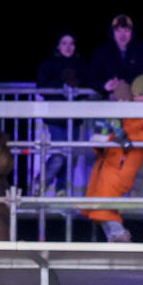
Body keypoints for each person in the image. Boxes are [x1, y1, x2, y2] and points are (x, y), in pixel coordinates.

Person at [81, 73, 143, 243]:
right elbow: (114, 133)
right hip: (108, 162)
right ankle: (114, 238)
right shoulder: (126, 112)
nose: (137, 99)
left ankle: (120, 235)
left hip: (122, 165)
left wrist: (125, 139)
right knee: (98, 202)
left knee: (103, 201)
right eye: (135, 95)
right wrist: (105, 140)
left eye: (141, 95)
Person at [35, 33, 89, 196]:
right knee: (60, 154)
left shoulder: (81, 65)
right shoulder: (49, 64)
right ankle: (40, 183)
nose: (68, 47)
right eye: (64, 43)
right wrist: (61, 85)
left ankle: (62, 190)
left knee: (70, 155)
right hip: (56, 117)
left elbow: (87, 88)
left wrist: (78, 89)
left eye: (71, 43)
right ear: (58, 46)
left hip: (75, 117)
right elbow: (41, 87)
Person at [89, 14, 143, 96]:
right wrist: (104, 85)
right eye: (118, 31)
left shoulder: (142, 51)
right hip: (108, 99)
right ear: (112, 33)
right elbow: (91, 78)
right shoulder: (102, 52)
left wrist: (124, 83)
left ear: (132, 33)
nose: (122, 35)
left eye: (126, 31)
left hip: (134, 97)